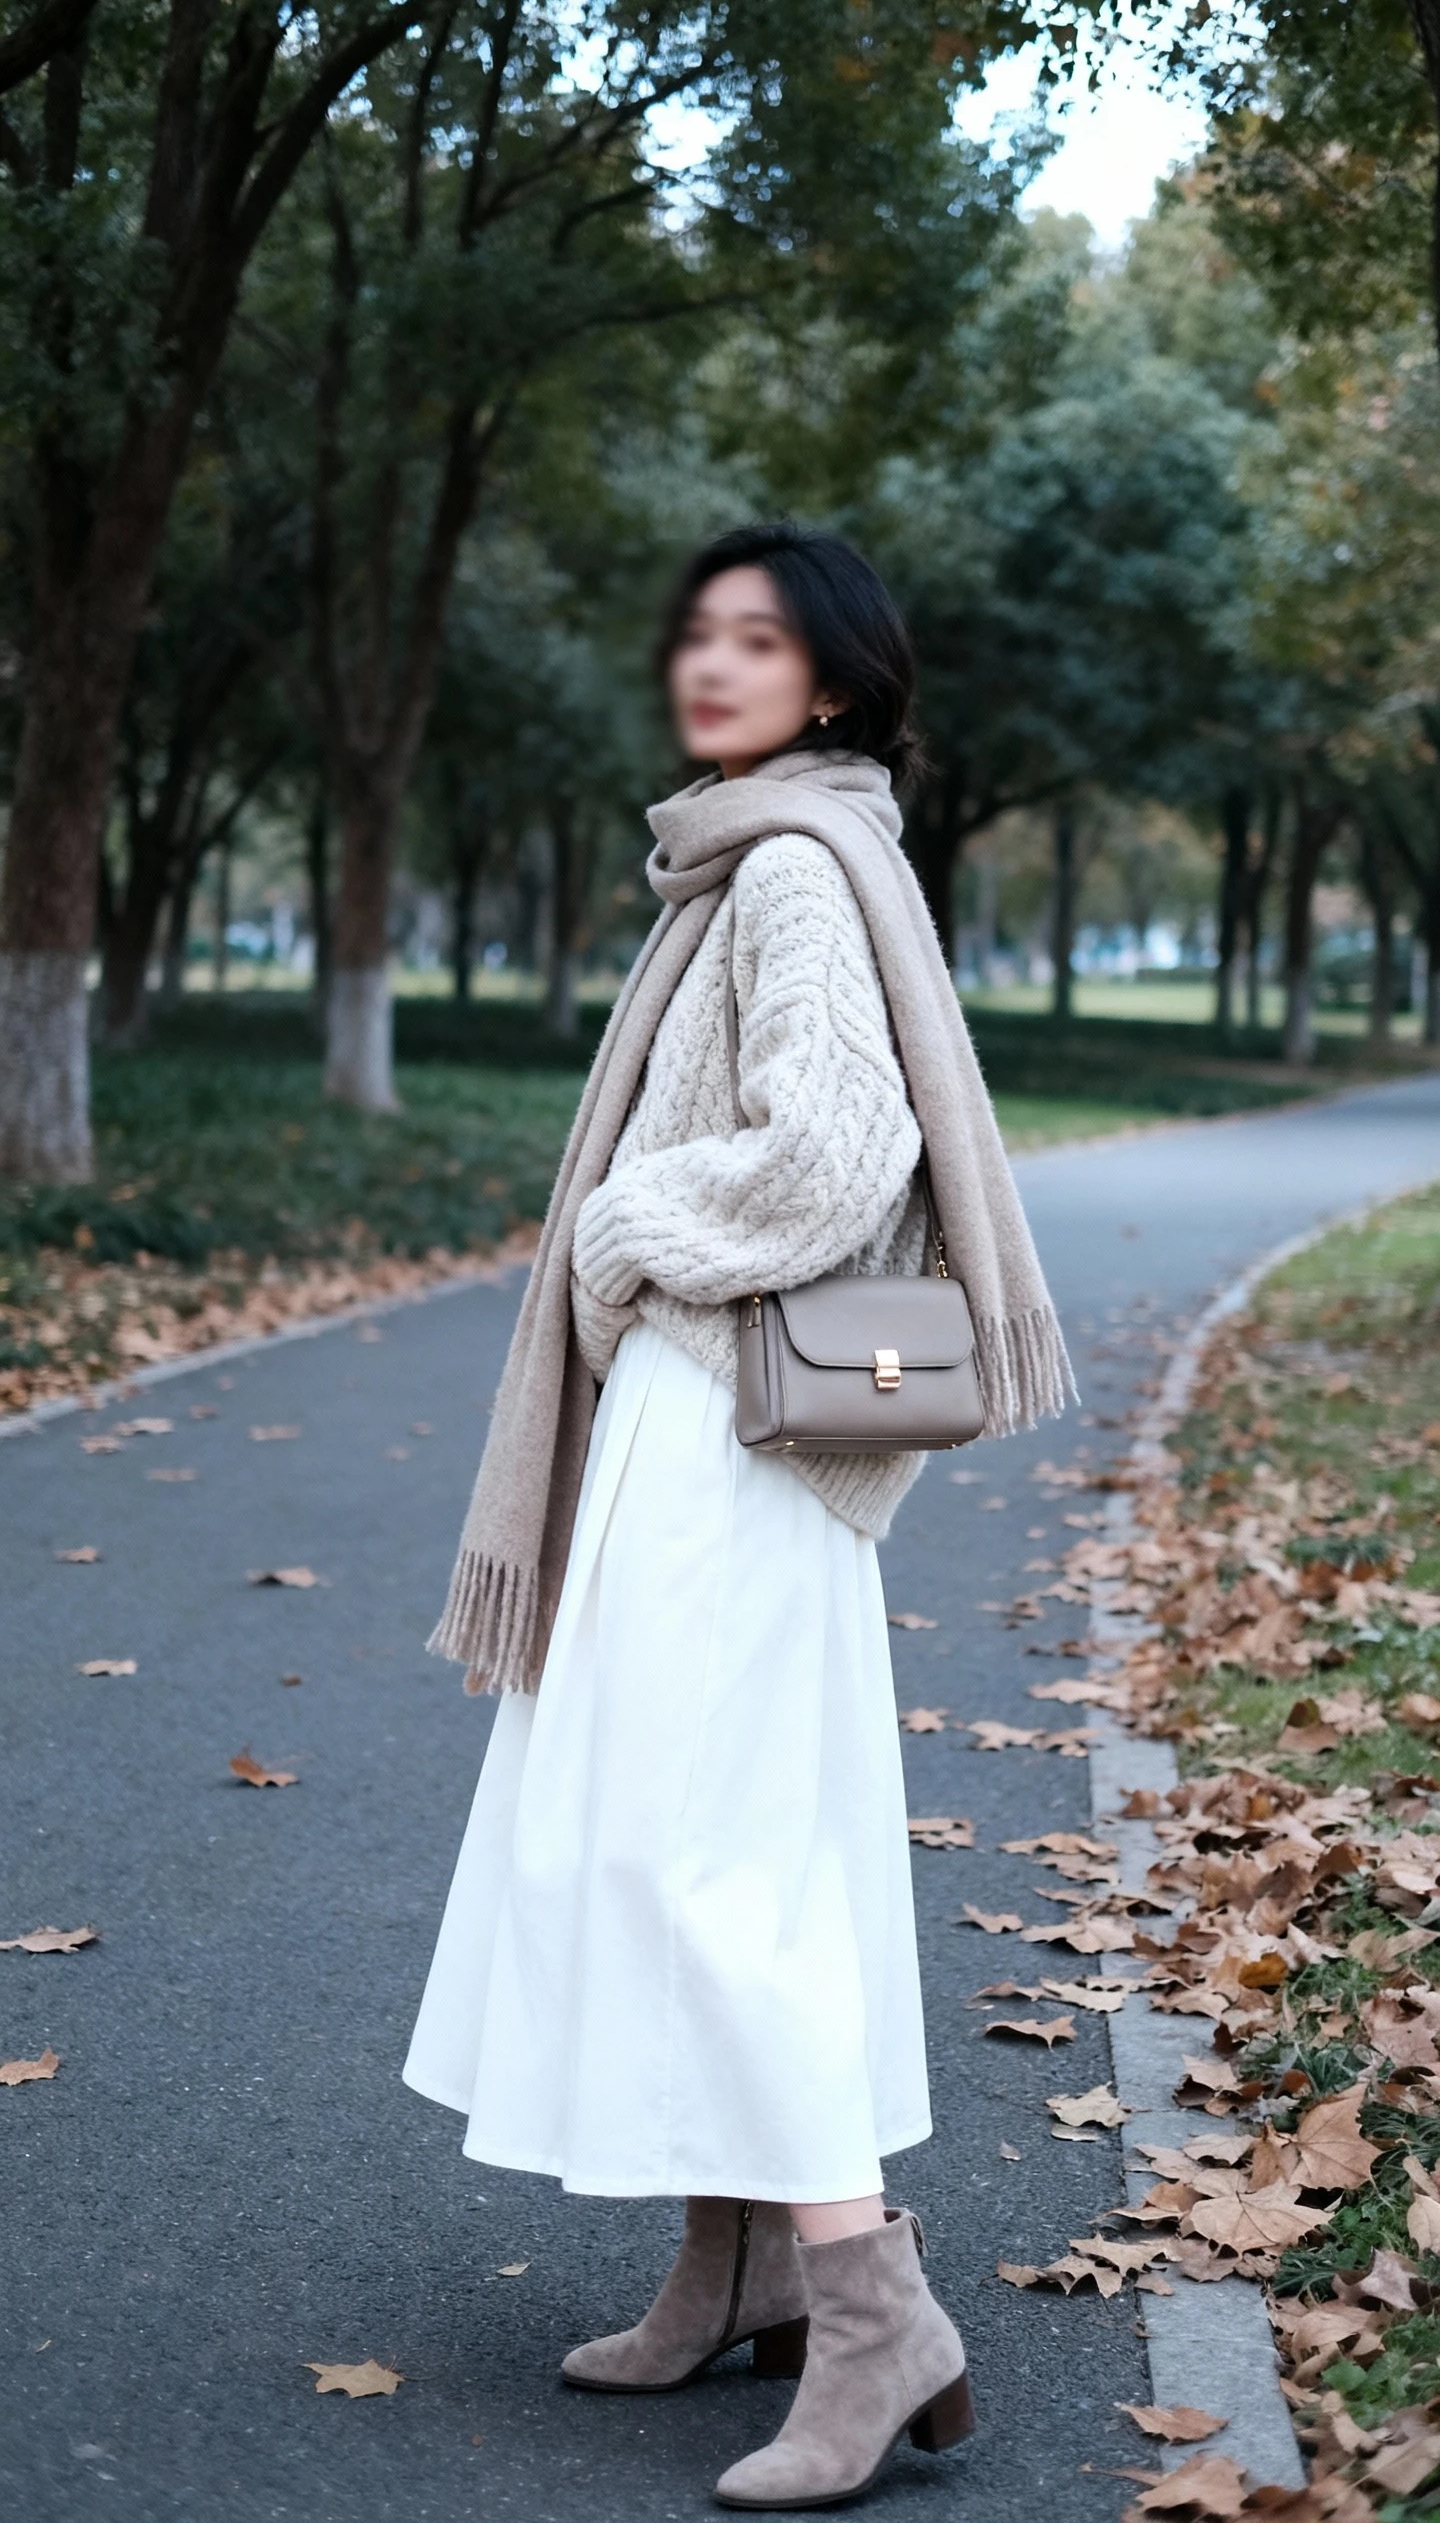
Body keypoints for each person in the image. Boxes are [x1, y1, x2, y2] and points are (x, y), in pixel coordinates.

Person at [403, 522, 1070, 2510]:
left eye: (758, 640)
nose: (710, 663)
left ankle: (874, 2306)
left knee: (701, 1860)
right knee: (705, 1838)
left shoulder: (786, 866)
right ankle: (743, 2263)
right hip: (702, 1429)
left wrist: (625, 1226)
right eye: (698, 632)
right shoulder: (763, 855)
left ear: (834, 684)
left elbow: (837, 1149)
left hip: (721, 1428)